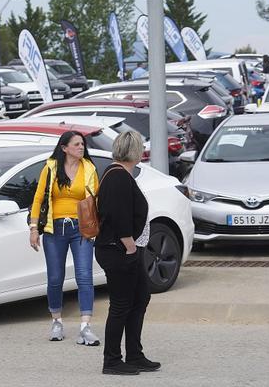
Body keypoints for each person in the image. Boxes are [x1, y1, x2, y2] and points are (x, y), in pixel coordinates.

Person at [28, 130, 100, 346]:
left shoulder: (89, 168)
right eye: (76, 144)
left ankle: (85, 326)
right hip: (54, 229)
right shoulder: (50, 167)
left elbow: (96, 199)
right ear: (64, 148)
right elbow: (39, 197)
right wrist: (33, 228)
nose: (81, 147)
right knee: (55, 278)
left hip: (81, 228)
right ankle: (56, 321)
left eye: (82, 144)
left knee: (85, 276)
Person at [95, 131, 158, 376]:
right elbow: (118, 214)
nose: (143, 151)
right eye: (141, 147)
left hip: (126, 249)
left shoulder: (119, 174)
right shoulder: (118, 176)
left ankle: (134, 354)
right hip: (119, 250)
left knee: (140, 298)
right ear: (134, 150)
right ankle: (111, 360)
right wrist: (130, 245)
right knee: (121, 305)